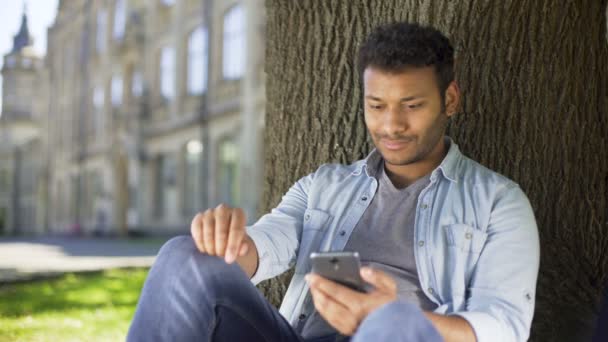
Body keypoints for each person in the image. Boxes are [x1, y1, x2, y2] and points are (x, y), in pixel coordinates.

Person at [127, 22, 540, 342]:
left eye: (411, 106)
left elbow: (504, 326)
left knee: (393, 322)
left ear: (449, 99)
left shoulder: (497, 201)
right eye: (377, 106)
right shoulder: (324, 186)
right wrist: (230, 244)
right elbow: (268, 243)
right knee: (184, 256)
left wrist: (387, 320)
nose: (391, 125)